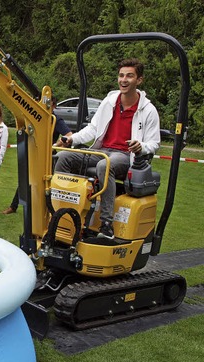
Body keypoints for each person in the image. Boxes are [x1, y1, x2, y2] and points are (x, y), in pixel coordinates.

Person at [54, 58, 160, 239]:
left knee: (105, 165)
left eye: (129, 76)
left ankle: (106, 224)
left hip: (126, 156)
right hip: (103, 150)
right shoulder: (109, 102)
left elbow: (154, 143)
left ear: (139, 80)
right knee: (64, 156)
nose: (123, 80)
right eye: (121, 75)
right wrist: (70, 139)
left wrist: (140, 146)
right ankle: (61, 212)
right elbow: (93, 129)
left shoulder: (148, 111)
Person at [1, 96, 72, 214]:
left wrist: (56, 145)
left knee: (46, 183)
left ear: (53, 106)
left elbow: (69, 135)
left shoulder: (55, 120)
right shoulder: (35, 118)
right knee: (25, 179)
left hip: (47, 157)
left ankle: (45, 209)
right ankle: (14, 206)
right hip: (33, 152)